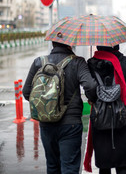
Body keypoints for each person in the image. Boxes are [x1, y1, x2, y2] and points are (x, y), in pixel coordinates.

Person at [23, 41, 98, 174]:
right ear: (70, 44)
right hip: (71, 124)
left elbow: (26, 92)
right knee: (69, 167)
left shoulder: (39, 62)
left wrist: (45, 104)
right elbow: (91, 86)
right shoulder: (78, 62)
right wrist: (91, 98)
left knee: (52, 166)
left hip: (46, 122)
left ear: (53, 43)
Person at [84, 45, 126, 174]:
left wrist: (94, 99)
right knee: (122, 165)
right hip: (122, 114)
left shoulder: (92, 63)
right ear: (117, 44)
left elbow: (89, 89)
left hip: (100, 116)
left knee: (104, 166)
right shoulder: (125, 62)